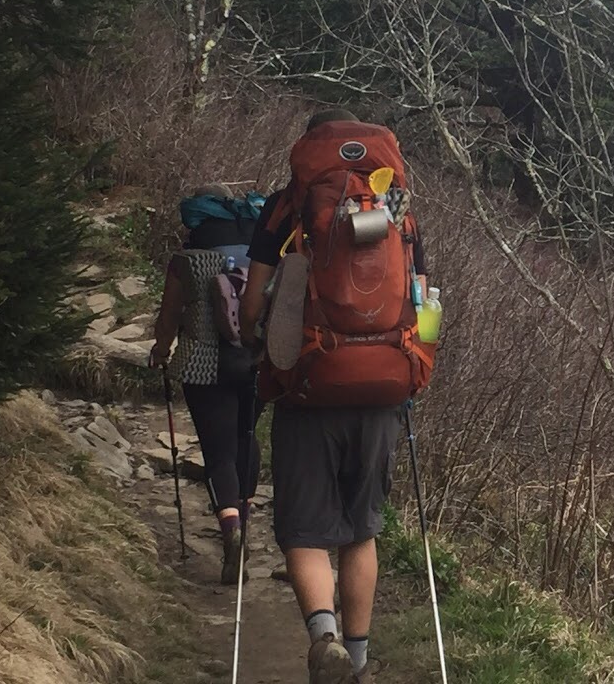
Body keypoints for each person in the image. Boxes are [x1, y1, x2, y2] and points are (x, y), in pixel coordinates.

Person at [241, 109, 428, 684]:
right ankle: (360, 660)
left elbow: (252, 304)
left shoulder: (287, 205)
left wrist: (258, 343)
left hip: (308, 384)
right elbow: (422, 297)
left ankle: (325, 640)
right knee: (360, 529)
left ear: (308, 147)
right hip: (383, 388)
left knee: (304, 528)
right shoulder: (395, 205)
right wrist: (410, 366)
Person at [150, 183, 265, 586]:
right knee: (246, 436)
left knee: (218, 451)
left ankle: (230, 529)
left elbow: (169, 314)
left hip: (205, 365)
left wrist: (161, 349)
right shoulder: (260, 250)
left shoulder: (188, 256)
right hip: (256, 358)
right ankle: (245, 518)